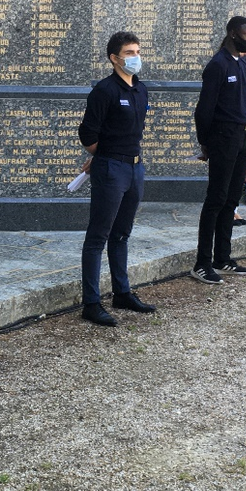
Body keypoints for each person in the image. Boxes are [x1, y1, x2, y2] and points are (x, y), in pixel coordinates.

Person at [77, 31, 156, 327]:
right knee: (98, 236)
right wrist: (103, 156)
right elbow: (88, 133)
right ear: (114, 58)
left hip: (135, 168)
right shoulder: (105, 90)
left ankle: (122, 292)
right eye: (129, 52)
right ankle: (92, 302)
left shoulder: (140, 89)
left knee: (122, 233)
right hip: (112, 169)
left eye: (138, 51)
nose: (135, 57)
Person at [192, 16, 246, 284]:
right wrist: (205, 143)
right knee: (216, 200)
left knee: (232, 199)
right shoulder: (218, 66)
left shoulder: (239, 64)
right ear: (232, 34)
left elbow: (238, 96)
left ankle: (223, 258)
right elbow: (204, 110)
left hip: (243, 139)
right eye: (245, 34)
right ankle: (202, 263)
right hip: (223, 139)